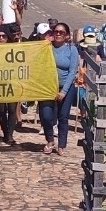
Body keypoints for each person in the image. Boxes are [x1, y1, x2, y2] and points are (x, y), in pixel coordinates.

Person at [38, 22, 80, 156]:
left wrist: (64, 91)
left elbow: (73, 71)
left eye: (61, 32)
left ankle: (61, 145)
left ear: (67, 35)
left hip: (65, 87)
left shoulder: (71, 49)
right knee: (46, 116)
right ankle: (50, 140)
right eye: (56, 31)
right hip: (47, 87)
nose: (58, 34)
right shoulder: (46, 47)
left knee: (63, 116)